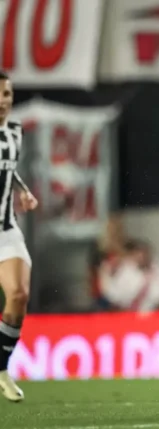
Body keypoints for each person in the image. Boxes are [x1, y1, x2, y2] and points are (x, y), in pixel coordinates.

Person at [0, 70, 39, 402]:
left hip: (5, 229)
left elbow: (9, 169)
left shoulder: (14, 133)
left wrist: (23, 191)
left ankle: (0, 369)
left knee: (19, 294)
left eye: (7, 95)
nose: (2, 102)